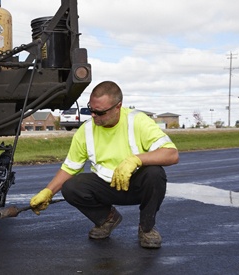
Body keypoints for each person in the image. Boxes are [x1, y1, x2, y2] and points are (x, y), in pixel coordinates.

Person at [30, 80, 179, 248]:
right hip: (106, 188)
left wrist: (136, 160)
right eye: (90, 109)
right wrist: (48, 191)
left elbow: (171, 154)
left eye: (99, 112)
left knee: (155, 173)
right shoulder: (86, 130)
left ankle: (146, 228)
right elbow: (69, 167)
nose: (93, 115)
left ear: (118, 106)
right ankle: (107, 219)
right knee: (71, 187)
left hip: (136, 186)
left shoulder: (138, 121)